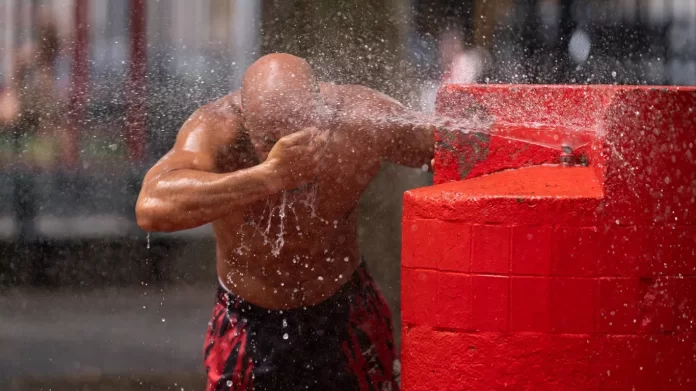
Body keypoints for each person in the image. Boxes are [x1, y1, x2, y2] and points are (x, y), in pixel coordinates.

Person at [136, 53, 471, 391]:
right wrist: (267, 177)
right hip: (246, 320)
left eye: (300, 133)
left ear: (321, 115)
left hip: (346, 307)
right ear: (246, 121)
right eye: (268, 142)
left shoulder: (359, 120)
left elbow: (453, 152)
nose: (286, 151)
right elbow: (151, 207)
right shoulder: (217, 129)